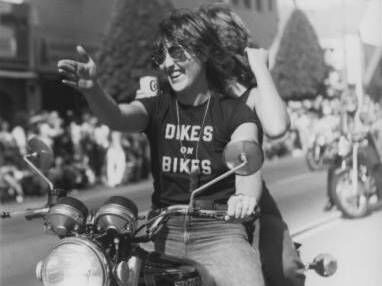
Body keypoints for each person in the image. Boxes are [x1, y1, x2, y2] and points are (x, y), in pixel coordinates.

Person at [58, 9, 264, 286]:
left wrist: (244, 198)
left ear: (202, 52)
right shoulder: (158, 106)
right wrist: (92, 88)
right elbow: (118, 116)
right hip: (165, 230)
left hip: (220, 231)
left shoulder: (234, 112)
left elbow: (247, 160)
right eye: (161, 57)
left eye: (177, 52)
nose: (168, 64)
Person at [198, 5, 305, 286]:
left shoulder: (251, 95)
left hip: (251, 202)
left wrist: (260, 68)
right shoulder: (192, 94)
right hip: (196, 205)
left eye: (225, 51)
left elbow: (277, 126)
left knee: (285, 270)